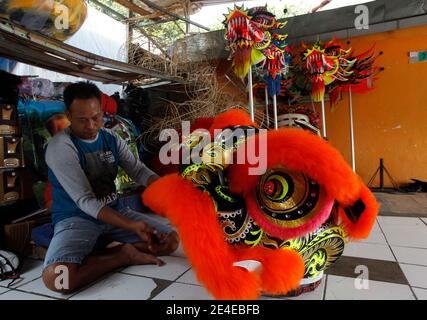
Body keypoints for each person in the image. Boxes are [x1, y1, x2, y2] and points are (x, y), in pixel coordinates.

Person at [42, 82, 179, 293]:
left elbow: (139, 171)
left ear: (102, 112)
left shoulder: (112, 139)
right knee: (58, 279)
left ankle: (102, 250)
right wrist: (131, 226)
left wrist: (170, 189)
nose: (91, 125)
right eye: (82, 120)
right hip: (77, 219)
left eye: (96, 118)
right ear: (68, 115)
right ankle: (122, 255)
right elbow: (86, 201)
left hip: (115, 212)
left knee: (170, 241)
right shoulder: (60, 147)